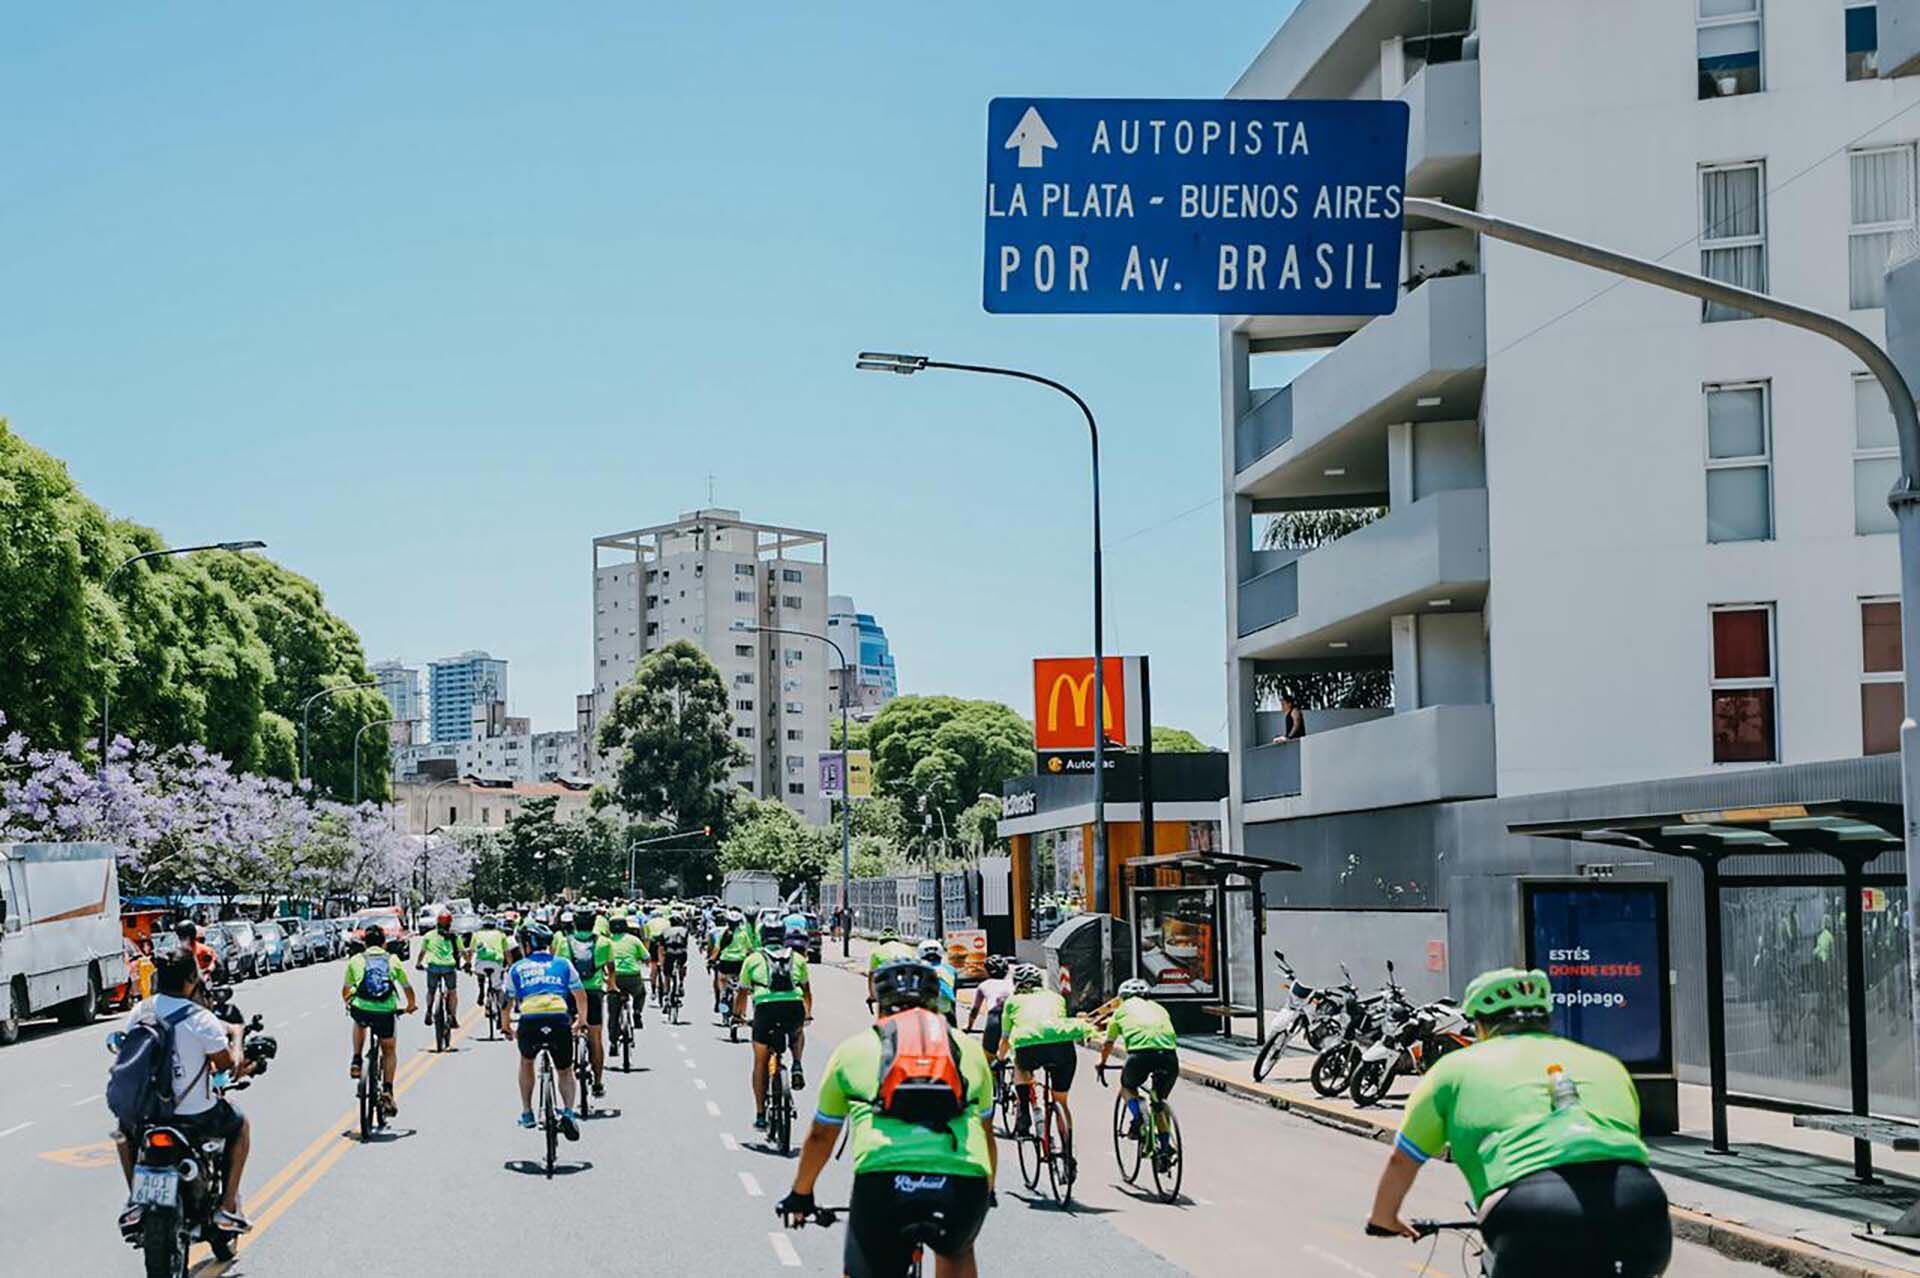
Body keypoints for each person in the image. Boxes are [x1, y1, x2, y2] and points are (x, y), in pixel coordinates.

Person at [1366, 967, 1670, 1277]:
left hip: (1532, 1209)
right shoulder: (1606, 1064)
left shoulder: (1453, 1070)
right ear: (1547, 1020)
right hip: (1639, 1204)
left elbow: (1402, 1161)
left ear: (1481, 1027)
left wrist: (1384, 1218)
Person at [779, 960, 996, 1278]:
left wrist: (802, 1193)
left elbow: (821, 1136)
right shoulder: (969, 1049)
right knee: (957, 1250)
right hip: (963, 1184)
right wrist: (985, 1192)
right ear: (936, 1003)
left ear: (878, 1004)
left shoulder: (854, 1049)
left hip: (885, 1182)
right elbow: (986, 1133)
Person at [114, 952, 255, 1234]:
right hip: (196, 1115)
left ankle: (136, 1200)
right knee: (240, 1124)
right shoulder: (202, 1019)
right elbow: (225, 1064)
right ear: (192, 980)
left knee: (122, 1134)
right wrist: (237, 1039)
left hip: (148, 1114)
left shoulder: (140, 1012)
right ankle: (227, 1207)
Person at [500, 922, 586, 1139]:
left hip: (530, 1020)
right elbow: (580, 995)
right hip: (559, 1018)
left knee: (527, 1061)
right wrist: (581, 1021)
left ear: (527, 945)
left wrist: (505, 1026)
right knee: (565, 1070)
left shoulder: (517, 968)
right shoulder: (564, 964)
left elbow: (506, 1001)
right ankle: (568, 1111)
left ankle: (528, 1113)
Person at [736, 922, 813, 1129]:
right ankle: (797, 1063)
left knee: (760, 1062)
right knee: (797, 1032)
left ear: (762, 936)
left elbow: (742, 992)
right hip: (793, 1007)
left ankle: (761, 1115)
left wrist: (738, 1016)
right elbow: (806, 991)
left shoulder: (753, 959)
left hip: (765, 1011)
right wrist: (807, 1014)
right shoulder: (797, 958)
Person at [1097, 978, 1180, 1167]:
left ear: (1122, 997)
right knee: (1159, 1102)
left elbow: (1108, 1043)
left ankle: (1138, 1116)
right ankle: (1165, 1148)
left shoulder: (1120, 1012)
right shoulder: (1159, 1008)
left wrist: (1101, 1063)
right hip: (1169, 1057)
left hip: (1140, 1057)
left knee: (1127, 1087)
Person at [1001, 962, 1085, 1148]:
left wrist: (999, 1059)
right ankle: (1067, 1152)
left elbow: (1005, 1038)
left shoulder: (1012, 1001)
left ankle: (1023, 1109)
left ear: (1017, 984)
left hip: (1030, 1048)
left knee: (1020, 1067)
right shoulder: (1056, 998)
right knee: (1061, 1101)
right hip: (1062, 1048)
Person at [342, 924, 416, 1117]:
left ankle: (357, 1059)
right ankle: (388, 1090)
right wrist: (410, 1006)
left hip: (362, 1009)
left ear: (364, 942)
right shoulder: (393, 960)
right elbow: (407, 988)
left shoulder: (356, 960)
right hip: (385, 1011)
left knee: (358, 1022)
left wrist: (349, 1003)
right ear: (384, 942)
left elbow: (346, 991)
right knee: (389, 1049)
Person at [558, 909, 614, 1098]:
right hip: (593, 993)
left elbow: (560, 969)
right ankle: (598, 1083)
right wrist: (612, 986)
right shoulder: (604, 943)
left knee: (567, 1032)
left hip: (571, 993)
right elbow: (611, 969)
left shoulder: (564, 943)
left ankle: (569, 1071)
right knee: (596, 1038)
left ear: (574, 923)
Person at [414, 909, 469, 1031]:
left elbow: (422, 952)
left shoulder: (429, 935)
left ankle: (429, 1010)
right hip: (449, 967)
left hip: (433, 967)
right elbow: (463, 952)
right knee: (452, 991)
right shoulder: (454, 936)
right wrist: (468, 962)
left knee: (431, 990)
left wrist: (418, 963)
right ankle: (453, 1017)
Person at [607, 913, 650, 1037]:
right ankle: (637, 1012)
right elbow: (647, 957)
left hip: (614, 978)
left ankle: (613, 1042)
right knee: (641, 993)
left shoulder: (606, 942)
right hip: (633, 976)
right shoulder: (634, 940)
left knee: (613, 1012)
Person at [966, 956, 1014, 1061]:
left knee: (988, 1056)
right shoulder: (1013, 983)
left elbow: (975, 1010)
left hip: (995, 1017)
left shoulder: (984, 985)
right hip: (1012, 1017)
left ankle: (992, 1074)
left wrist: (969, 1027)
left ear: (987, 971)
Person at [712, 908, 756, 1013]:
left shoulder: (723, 933)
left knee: (722, 979)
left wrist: (711, 959)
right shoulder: (743, 934)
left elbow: (717, 949)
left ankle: (723, 995)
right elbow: (750, 949)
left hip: (725, 961)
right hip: (740, 962)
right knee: (739, 984)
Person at [866, 927, 915, 1008]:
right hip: (909, 987)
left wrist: (872, 995)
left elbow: (872, 975)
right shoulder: (908, 948)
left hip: (888, 988)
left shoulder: (876, 952)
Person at [470, 917, 511, 1006]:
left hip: (480, 965)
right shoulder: (501, 934)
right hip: (496, 964)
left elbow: (471, 951)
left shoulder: (476, 934)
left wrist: (468, 964)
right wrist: (510, 965)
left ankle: (481, 991)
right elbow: (507, 953)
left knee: (479, 973)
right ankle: (502, 1007)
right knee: (498, 987)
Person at [919, 938, 959, 1024]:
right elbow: (953, 995)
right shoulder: (951, 969)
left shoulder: (919, 970)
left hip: (926, 1011)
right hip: (946, 1010)